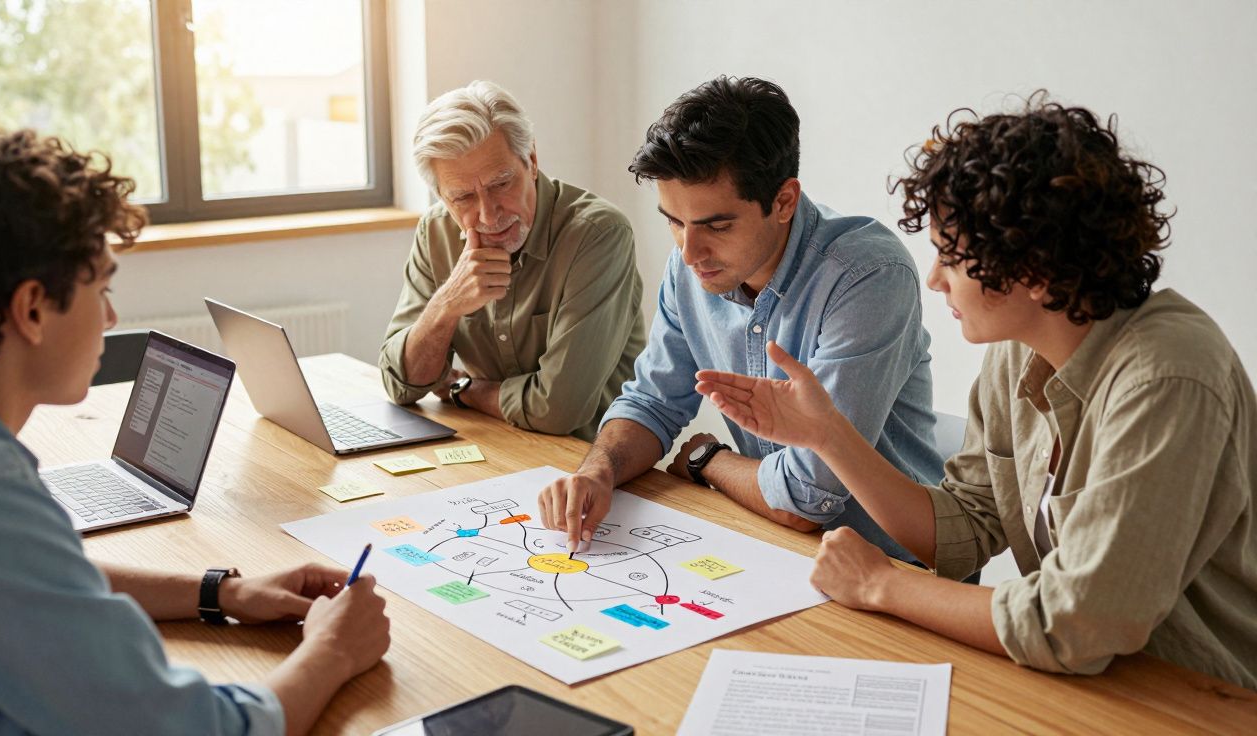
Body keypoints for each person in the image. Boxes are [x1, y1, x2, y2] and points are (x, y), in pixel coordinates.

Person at [694, 97, 1257, 687]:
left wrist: (882, 584)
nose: (934, 279)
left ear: (1033, 269)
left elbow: (1077, 623)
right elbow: (961, 531)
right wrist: (828, 435)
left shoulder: (1167, 378)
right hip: (1086, 686)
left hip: (1198, 699)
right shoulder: (1019, 350)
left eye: (951, 257)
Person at [0, 126, 392, 735]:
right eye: (101, 288)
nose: (111, 316)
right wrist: (334, 650)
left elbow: (38, 586)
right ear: (31, 309)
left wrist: (221, 592)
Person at [538, 77, 941, 559]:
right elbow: (652, 402)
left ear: (784, 201)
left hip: (890, 566)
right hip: (772, 545)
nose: (689, 252)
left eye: (717, 225)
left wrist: (708, 459)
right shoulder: (693, 265)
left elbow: (806, 500)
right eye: (674, 221)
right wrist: (596, 472)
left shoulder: (867, 277)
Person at [379, 80, 645, 441]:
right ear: (441, 196)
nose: (488, 215)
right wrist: (447, 305)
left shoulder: (598, 234)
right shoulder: (436, 231)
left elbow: (557, 410)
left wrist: (465, 390)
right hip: (496, 445)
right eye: (463, 198)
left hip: (591, 458)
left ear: (531, 161)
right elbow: (400, 385)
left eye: (501, 184)